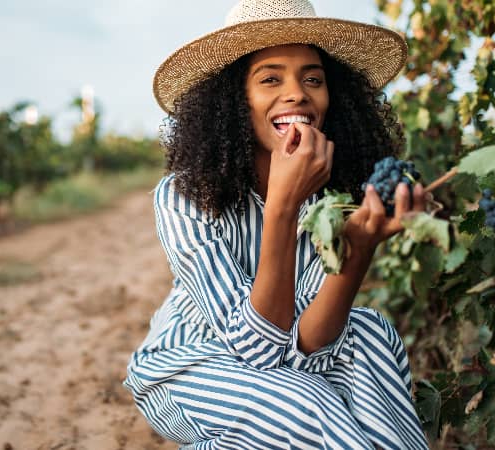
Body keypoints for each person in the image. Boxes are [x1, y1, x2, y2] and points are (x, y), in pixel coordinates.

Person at [123, 0, 428, 448]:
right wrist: (283, 204)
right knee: (311, 403)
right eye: (270, 78)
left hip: (289, 363)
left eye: (313, 79)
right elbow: (261, 349)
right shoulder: (185, 197)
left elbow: (307, 350)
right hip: (188, 368)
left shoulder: (334, 201)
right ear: (233, 101)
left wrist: (358, 252)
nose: (298, 94)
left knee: (370, 333)